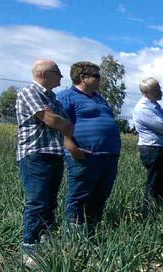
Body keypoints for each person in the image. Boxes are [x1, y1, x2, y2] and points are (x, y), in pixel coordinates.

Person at [16, 60, 74, 262]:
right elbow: (53, 121)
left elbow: (67, 124)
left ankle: (46, 241)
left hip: (54, 154)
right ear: (45, 73)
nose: (61, 76)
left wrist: (62, 122)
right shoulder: (30, 91)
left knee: (50, 201)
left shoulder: (53, 99)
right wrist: (61, 122)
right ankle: (29, 247)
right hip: (35, 154)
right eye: (58, 72)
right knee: (38, 200)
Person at [57, 61, 121, 237]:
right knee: (79, 196)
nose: (100, 79)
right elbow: (59, 124)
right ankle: (73, 236)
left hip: (108, 156)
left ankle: (92, 232)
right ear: (83, 78)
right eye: (97, 76)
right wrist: (72, 148)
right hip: (84, 156)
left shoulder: (99, 98)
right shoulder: (67, 96)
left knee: (100, 195)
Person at [133, 77, 163, 206]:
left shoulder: (156, 106)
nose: (161, 92)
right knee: (155, 184)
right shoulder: (143, 108)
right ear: (147, 92)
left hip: (160, 150)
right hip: (153, 150)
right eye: (157, 89)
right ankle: (149, 212)